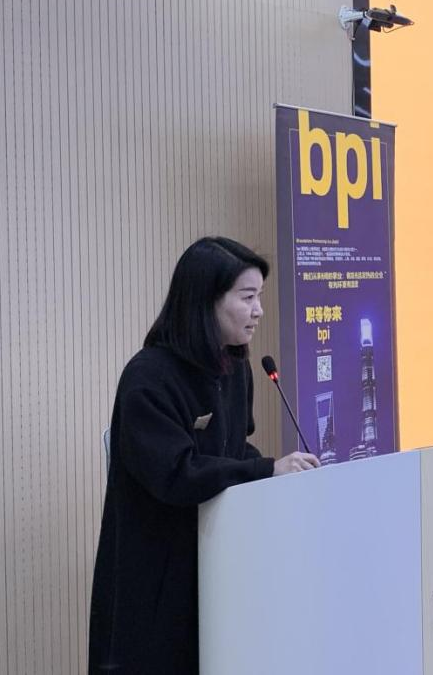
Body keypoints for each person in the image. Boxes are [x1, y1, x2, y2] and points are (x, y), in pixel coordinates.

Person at [88, 237, 319, 673]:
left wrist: (279, 475)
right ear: (204, 301)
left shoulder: (234, 366)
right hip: (159, 576)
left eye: (260, 297)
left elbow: (235, 448)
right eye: (247, 298)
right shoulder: (148, 377)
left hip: (220, 559)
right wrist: (265, 470)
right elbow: (177, 472)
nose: (259, 311)